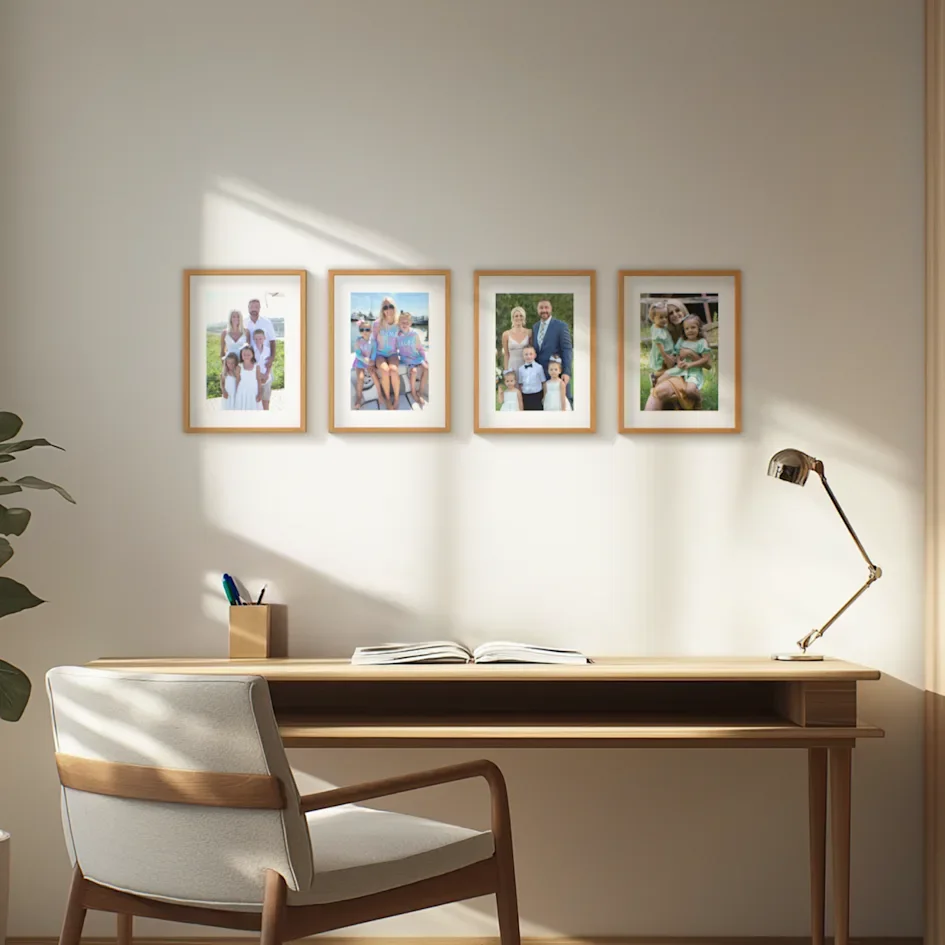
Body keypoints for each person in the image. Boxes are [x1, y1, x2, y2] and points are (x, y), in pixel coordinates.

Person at [645, 315, 712, 411]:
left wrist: (690, 364)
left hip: (694, 371)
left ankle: (698, 401)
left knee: (690, 390)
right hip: (680, 369)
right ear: (684, 330)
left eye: (693, 327)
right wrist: (679, 362)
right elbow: (676, 355)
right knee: (660, 380)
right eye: (687, 328)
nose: (690, 330)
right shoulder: (682, 340)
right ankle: (660, 397)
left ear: (699, 328)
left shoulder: (702, 342)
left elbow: (705, 359)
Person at [533, 298, 573, 404]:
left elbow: (567, 349)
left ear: (551, 309)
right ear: (537, 310)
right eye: (541, 308)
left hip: (557, 373)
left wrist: (566, 372)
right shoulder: (535, 327)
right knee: (545, 403)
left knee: (562, 403)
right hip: (540, 375)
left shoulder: (561, 326)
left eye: (546, 307)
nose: (544, 310)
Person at [371, 297, 401, 409]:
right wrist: (372, 360)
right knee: (384, 370)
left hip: (393, 354)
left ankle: (397, 398)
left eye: (391, 306)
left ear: (394, 308)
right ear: (382, 310)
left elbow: (403, 341)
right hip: (380, 354)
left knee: (393, 370)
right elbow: (373, 341)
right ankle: (388, 398)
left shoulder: (398, 324)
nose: (388, 309)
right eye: (385, 307)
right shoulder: (377, 324)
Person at [396, 311, 428, 407]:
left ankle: (421, 392)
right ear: (399, 323)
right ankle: (413, 393)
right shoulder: (397, 335)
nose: (404, 324)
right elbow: (393, 347)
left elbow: (420, 348)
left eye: (407, 322)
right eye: (402, 322)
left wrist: (424, 358)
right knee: (413, 371)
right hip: (406, 359)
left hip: (416, 356)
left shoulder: (414, 334)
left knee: (426, 368)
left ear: (410, 323)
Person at [645, 301, 676, 387]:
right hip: (662, 356)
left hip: (666, 354)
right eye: (661, 317)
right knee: (669, 369)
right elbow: (659, 345)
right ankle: (654, 376)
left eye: (666, 317)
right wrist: (666, 357)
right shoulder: (657, 331)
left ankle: (659, 382)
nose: (664, 320)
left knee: (667, 370)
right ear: (653, 318)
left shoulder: (661, 327)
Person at [245, 298, 277, 371]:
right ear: (248, 308)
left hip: (264, 358)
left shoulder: (267, 322)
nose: (254, 309)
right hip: (249, 360)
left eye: (256, 307)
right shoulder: (244, 322)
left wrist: (272, 357)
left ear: (259, 308)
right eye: (251, 307)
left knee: (265, 380)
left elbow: (272, 341)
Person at [352, 320, 376, 410]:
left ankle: (380, 394)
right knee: (361, 377)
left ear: (371, 331)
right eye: (362, 330)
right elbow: (358, 354)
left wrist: (372, 361)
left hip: (369, 361)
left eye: (367, 329)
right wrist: (364, 359)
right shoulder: (358, 341)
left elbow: (373, 352)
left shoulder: (373, 341)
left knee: (375, 374)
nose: (364, 332)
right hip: (360, 361)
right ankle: (359, 396)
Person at [502, 306, 532, 373]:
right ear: (512, 318)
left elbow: (532, 351)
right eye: (516, 316)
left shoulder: (529, 333)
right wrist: (506, 371)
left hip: (526, 366)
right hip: (512, 367)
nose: (519, 318)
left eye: (521, 316)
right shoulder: (506, 334)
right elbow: (506, 355)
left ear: (524, 317)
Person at [516, 345, 546, 411]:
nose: (528, 356)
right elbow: (520, 384)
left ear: (535, 355)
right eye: (526, 354)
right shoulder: (520, 369)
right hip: (525, 396)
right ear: (523, 356)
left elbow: (543, 382)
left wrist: (544, 396)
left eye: (531, 354)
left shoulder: (539, 367)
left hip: (537, 395)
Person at [233, 345, 263, 410]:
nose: (246, 356)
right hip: (242, 391)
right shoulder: (239, 366)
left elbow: (259, 380)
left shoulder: (256, 366)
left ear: (252, 355)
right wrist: (236, 393)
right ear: (241, 355)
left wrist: (260, 393)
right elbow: (237, 380)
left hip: (253, 391)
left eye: (248, 354)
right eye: (244, 354)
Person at [250, 327, 273, 410]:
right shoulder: (251, 350)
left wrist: (266, 374)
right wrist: (260, 375)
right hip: (255, 379)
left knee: (266, 400)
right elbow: (250, 365)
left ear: (264, 338)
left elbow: (270, 364)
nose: (258, 341)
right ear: (253, 339)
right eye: (256, 339)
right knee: (256, 401)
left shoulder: (268, 350)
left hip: (267, 379)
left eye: (260, 338)